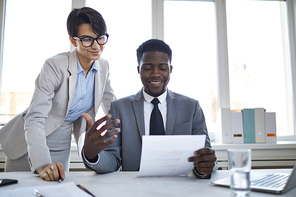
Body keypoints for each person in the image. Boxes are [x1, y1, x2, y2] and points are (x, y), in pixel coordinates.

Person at [0, 7, 116, 181]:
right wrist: (42, 163)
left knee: (57, 189)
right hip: (29, 141)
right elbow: (35, 117)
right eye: (87, 39)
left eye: (100, 38)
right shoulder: (54, 66)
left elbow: (113, 106)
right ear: (72, 40)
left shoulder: (103, 67)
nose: (96, 46)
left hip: (63, 142)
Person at [82, 39, 218, 178]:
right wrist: (91, 155)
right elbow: (113, 160)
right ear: (138, 69)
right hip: (136, 188)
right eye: (147, 68)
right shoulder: (120, 108)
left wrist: (204, 168)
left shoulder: (191, 107)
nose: (155, 74)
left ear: (170, 69)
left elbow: (207, 156)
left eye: (163, 68)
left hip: (179, 188)